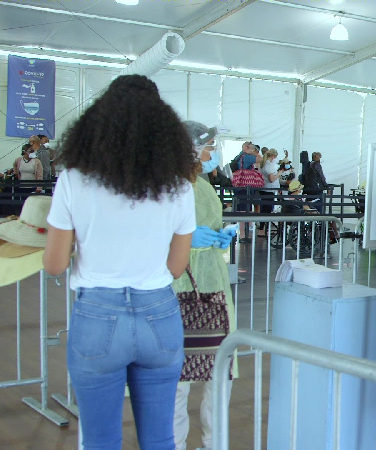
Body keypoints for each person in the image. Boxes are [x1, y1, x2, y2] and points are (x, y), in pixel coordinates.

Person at [42, 74, 196, 449]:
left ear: (100, 122)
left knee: (99, 440)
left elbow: (55, 263)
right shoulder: (179, 186)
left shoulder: (74, 180)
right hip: (159, 314)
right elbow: (176, 267)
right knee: (161, 438)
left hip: (97, 313)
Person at [173, 120, 237, 450]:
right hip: (180, 289)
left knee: (218, 374)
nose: (213, 152)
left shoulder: (204, 184)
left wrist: (221, 237)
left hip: (212, 288)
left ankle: (214, 444)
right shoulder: (167, 185)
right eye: (209, 146)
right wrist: (185, 240)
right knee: (177, 381)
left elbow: (208, 225)